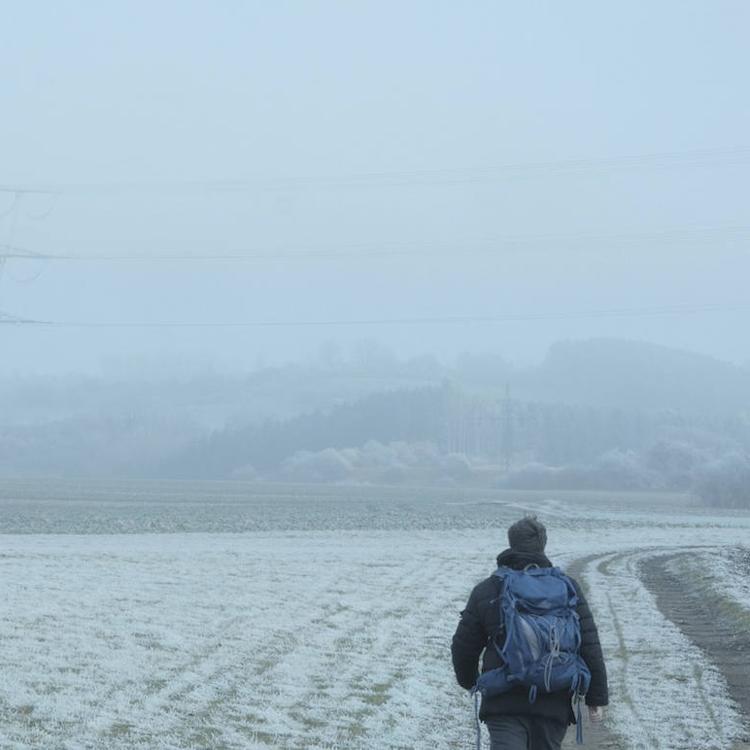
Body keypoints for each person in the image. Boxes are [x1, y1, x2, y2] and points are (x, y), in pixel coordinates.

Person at [451, 516, 608, 750]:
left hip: (503, 701)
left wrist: (470, 681)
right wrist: (596, 698)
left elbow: (464, 645)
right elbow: (589, 643)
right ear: (543, 544)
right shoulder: (567, 587)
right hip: (553, 698)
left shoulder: (489, 588)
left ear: (510, 543)